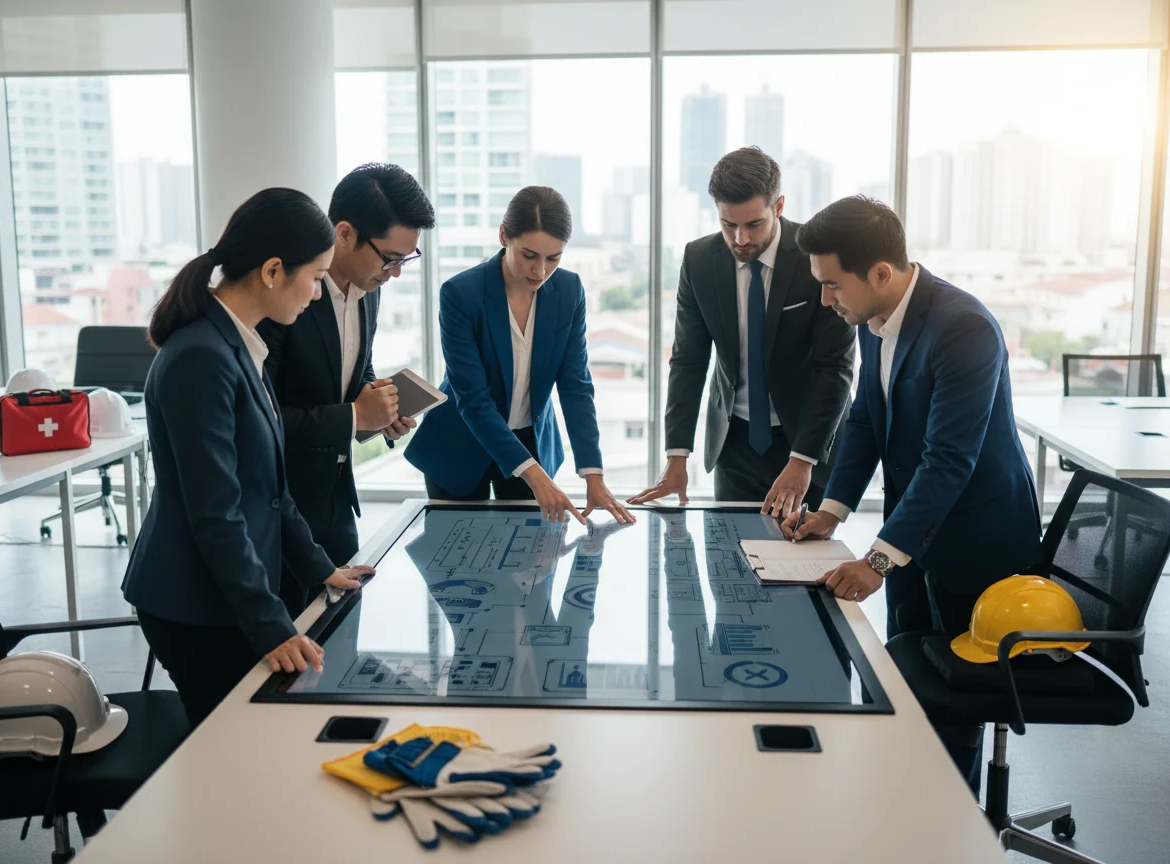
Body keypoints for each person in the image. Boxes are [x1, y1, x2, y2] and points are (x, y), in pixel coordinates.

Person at [784, 195, 1043, 796]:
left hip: (977, 541)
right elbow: (867, 422)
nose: (825, 299)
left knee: (957, 704)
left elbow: (949, 460)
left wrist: (877, 558)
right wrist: (832, 509)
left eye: (831, 284)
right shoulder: (872, 320)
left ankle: (952, 829)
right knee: (905, 680)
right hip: (914, 534)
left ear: (880, 273)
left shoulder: (965, 329)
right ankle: (910, 806)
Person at [123, 188, 373, 729]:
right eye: (314, 277)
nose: (314, 295)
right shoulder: (200, 357)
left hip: (225, 591)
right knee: (234, 747)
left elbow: (269, 488)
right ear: (273, 271)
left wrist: (321, 569)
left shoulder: (239, 344)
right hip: (192, 603)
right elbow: (216, 511)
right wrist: (272, 625)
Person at [629, 147, 854, 516]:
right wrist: (676, 455)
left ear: (778, 206)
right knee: (729, 562)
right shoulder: (699, 260)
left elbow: (836, 367)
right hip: (734, 444)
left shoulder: (816, 257)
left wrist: (802, 460)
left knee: (803, 565)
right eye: (728, 224)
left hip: (807, 441)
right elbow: (688, 361)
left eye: (753, 224)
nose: (740, 239)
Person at [258, 163, 436, 615]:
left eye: (405, 260)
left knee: (339, 641)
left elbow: (352, 368)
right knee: (286, 664)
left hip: (337, 507)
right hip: (279, 515)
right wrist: (356, 416)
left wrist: (380, 405)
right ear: (344, 233)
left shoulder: (368, 286)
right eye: (390, 258)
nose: (395, 273)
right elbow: (259, 418)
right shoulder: (282, 297)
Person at [404, 186, 633, 525]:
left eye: (553, 259)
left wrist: (593, 474)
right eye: (529, 255)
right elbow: (473, 400)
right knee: (455, 563)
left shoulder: (569, 291)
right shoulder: (460, 294)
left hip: (532, 440)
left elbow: (575, 386)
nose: (540, 271)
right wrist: (535, 475)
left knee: (530, 566)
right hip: (460, 442)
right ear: (504, 236)